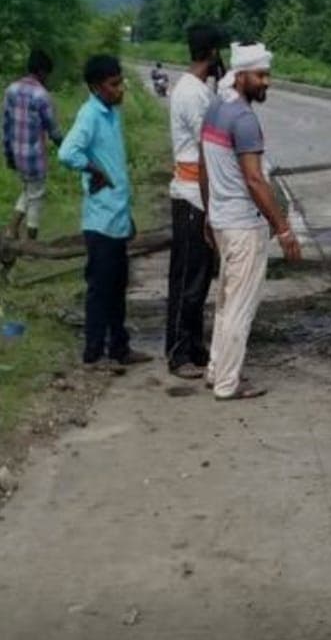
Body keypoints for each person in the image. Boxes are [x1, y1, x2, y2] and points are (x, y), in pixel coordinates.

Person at [199, 42, 302, 400]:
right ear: (241, 75)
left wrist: (209, 213)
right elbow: (255, 180)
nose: (266, 82)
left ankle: (217, 370)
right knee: (239, 308)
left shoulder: (216, 108)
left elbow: (203, 164)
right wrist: (283, 227)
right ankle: (228, 382)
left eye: (267, 75)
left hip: (223, 222)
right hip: (243, 225)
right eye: (260, 75)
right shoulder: (244, 120)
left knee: (227, 301)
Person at [58, 55, 151, 370]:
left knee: (117, 287)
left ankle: (119, 348)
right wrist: (92, 168)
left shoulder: (110, 113)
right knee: (100, 289)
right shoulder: (90, 115)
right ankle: (94, 353)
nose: (120, 89)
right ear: (97, 87)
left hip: (116, 216)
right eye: (114, 84)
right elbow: (67, 152)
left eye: (120, 81)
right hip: (100, 221)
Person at [165, 24, 224, 379]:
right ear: (214, 52)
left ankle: (192, 344)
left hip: (197, 195)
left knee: (199, 280)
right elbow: (208, 151)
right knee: (187, 279)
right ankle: (177, 350)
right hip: (191, 197)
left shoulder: (199, 89)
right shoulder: (193, 95)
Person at [3, 50, 63, 242]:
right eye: (47, 74)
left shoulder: (11, 90)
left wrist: (8, 154)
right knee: (36, 195)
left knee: (29, 190)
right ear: (42, 71)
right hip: (34, 157)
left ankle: (11, 229)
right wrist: (64, 146)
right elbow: (52, 129)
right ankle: (31, 243)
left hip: (17, 154)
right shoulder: (41, 95)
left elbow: (5, 125)